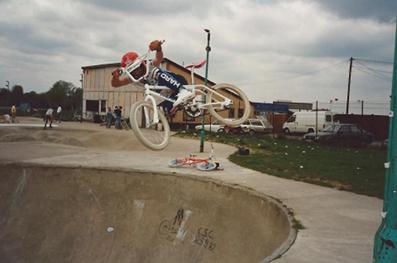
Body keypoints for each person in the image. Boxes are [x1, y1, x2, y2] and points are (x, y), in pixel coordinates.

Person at [111, 40, 194, 110]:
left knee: (155, 71)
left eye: (138, 67)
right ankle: (175, 108)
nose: (137, 72)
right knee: (154, 102)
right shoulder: (132, 79)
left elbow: (159, 58)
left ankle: (182, 90)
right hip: (167, 95)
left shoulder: (150, 65)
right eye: (133, 71)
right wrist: (115, 77)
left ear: (142, 62)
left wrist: (158, 49)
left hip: (178, 81)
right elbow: (116, 84)